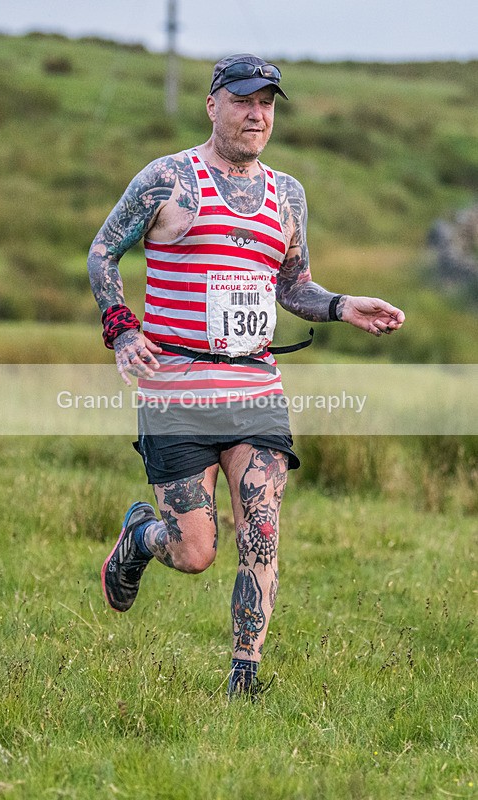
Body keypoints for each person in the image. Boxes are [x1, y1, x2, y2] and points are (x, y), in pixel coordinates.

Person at [87, 54, 405, 698]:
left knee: (261, 529)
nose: (256, 114)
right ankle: (141, 536)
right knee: (195, 551)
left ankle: (245, 677)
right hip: (176, 389)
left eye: (267, 103)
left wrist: (343, 306)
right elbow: (102, 250)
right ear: (213, 105)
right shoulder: (169, 178)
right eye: (242, 101)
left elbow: (293, 285)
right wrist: (122, 328)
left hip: (255, 388)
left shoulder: (288, 194)